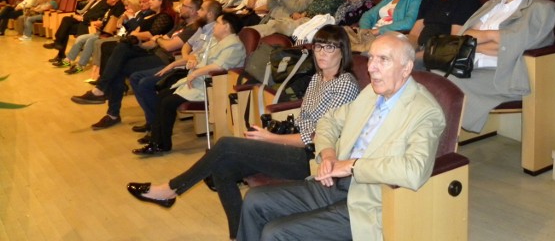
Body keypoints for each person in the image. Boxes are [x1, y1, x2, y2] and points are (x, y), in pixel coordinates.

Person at [126, 25, 361, 240]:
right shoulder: (317, 78)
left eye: (330, 47)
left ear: (343, 51)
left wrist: (272, 139)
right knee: (223, 166)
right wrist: (273, 135)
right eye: (319, 46)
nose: (322, 53)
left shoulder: (344, 84)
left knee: (227, 146)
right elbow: (305, 121)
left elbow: (319, 137)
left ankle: (171, 189)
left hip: (313, 159)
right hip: (293, 145)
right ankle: (239, 235)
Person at [235, 32, 445, 240]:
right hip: (334, 182)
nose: (371, 67)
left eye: (383, 59)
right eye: (371, 57)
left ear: (406, 68)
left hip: (370, 200)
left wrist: (352, 166)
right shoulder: (371, 93)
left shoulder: (425, 111)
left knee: (276, 233)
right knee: (254, 200)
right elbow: (329, 120)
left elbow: (414, 170)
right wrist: (328, 155)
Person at [450, 0, 555, 133]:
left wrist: (486, 37)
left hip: (504, 73)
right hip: (471, 64)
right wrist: (495, 39)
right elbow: (465, 36)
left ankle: (442, 141)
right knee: (433, 75)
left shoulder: (541, 8)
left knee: (445, 83)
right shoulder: (491, 5)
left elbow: (521, 42)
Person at [133, 12, 247, 155]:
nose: (214, 26)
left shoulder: (234, 45)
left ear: (226, 27)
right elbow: (197, 55)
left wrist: (195, 73)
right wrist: (182, 62)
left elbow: (219, 66)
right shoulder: (215, 40)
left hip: (213, 86)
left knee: (168, 101)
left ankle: (159, 143)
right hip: (199, 82)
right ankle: (157, 140)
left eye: (218, 22)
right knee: (162, 96)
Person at [70, 0, 178, 129]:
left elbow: (150, 34)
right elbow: (136, 31)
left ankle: (106, 99)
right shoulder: (149, 15)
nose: (149, 1)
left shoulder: (165, 16)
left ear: (162, 1)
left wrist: (135, 32)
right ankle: (106, 101)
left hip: (156, 54)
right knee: (112, 53)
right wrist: (131, 28)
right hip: (146, 48)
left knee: (119, 57)